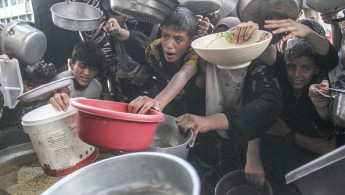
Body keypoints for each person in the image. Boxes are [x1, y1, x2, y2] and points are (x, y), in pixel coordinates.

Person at [176, 17, 282, 194]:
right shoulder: (209, 65)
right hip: (215, 145)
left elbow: (266, 106)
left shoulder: (257, 67)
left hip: (250, 145)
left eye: (230, 38)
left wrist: (253, 153)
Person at [236, 18, 339, 193]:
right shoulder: (280, 74)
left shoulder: (322, 89)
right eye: (292, 66)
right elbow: (266, 53)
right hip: (277, 162)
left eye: (305, 68)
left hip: (313, 173)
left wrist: (288, 133)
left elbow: (329, 147)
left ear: (316, 69)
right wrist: (255, 32)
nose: (297, 75)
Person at [127, 7, 200, 117]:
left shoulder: (194, 52)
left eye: (178, 39)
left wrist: (158, 102)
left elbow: (184, 74)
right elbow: (153, 64)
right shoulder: (154, 49)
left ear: (191, 41)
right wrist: (168, 78)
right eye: (165, 36)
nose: (169, 45)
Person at [49, 41, 104, 111]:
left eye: (92, 69)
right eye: (82, 66)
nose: (87, 73)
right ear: (71, 64)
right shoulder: (60, 81)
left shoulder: (96, 88)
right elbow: (58, 93)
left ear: (97, 71)